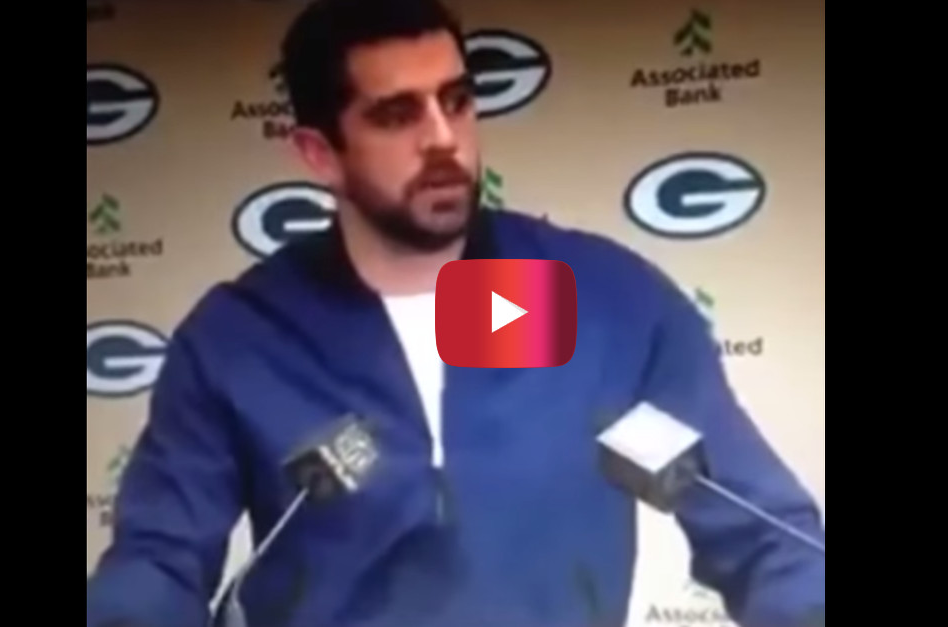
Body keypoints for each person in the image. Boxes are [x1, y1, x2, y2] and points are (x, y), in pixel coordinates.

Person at [84, 0, 825, 625]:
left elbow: (764, 532)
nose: (443, 139)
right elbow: (157, 564)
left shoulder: (608, 303)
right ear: (319, 153)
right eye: (396, 114)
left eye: (458, 101)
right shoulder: (240, 338)